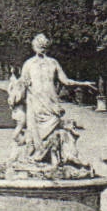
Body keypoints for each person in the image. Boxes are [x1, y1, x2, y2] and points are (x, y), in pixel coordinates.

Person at [8, 34, 94, 166]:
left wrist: (83, 83)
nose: (41, 48)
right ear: (34, 47)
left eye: (43, 46)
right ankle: (37, 155)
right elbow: (22, 84)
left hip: (51, 101)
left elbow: (65, 81)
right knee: (35, 129)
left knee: (53, 128)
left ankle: (50, 157)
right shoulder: (29, 64)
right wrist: (14, 95)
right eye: (39, 45)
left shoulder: (53, 63)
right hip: (35, 101)